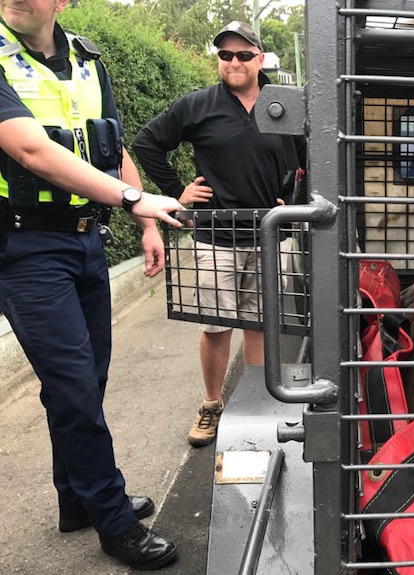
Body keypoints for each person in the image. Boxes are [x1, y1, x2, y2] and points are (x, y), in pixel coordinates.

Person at [0, 0, 185, 570]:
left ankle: (77, 499)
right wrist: (133, 198)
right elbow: (29, 148)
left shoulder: (86, 58)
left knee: (86, 382)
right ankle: (113, 519)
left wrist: (146, 224)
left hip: (85, 240)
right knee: (75, 387)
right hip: (25, 247)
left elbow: (113, 146)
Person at [133, 21, 297, 448]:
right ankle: (212, 403)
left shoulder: (283, 106)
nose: (234, 62)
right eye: (225, 55)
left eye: (244, 54)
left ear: (261, 59)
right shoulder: (197, 105)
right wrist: (176, 192)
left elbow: (307, 159)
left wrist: (292, 200)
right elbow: (146, 142)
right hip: (215, 236)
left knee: (261, 323)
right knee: (215, 326)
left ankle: (259, 400)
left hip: (268, 236)